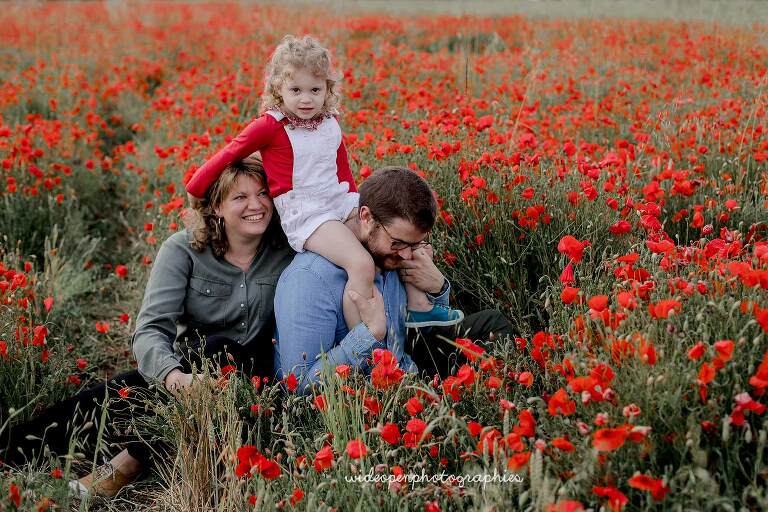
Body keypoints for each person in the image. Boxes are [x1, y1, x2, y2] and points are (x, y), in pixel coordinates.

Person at [0, 156, 294, 497]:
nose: (256, 205)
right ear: (216, 206)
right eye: (240, 197)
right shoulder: (184, 250)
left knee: (220, 347)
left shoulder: (288, 248)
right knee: (88, 410)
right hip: (187, 375)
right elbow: (151, 329)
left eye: (262, 193)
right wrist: (173, 377)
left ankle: (125, 465)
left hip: (254, 382)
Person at [185, 34, 462, 334]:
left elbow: (343, 173)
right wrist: (197, 188)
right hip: (305, 212)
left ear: (328, 89)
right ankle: (367, 341)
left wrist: (359, 212)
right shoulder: (270, 125)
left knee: (397, 236)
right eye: (296, 90)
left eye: (315, 90)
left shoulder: (329, 122)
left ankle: (419, 307)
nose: (306, 99)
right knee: (361, 263)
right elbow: (230, 153)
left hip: (337, 199)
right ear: (278, 89)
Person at [275, 166, 512, 394]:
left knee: (493, 323)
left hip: (405, 375)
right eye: (398, 243)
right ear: (366, 217)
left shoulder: (390, 254)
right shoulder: (310, 279)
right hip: (361, 400)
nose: (407, 255)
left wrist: (436, 289)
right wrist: (369, 336)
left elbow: (420, 336)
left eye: (415, 244)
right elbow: (299, 387)